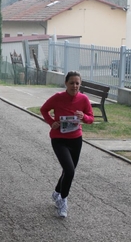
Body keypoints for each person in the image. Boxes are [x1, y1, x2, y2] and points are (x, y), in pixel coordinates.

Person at [40, 71, 94, 218]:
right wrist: (52, 123)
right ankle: (63, 201)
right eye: (72, 83)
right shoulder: (58, 98)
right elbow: (44, 110)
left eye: (77, 83)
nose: (74, 86)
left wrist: (84, 117)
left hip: (76, 139)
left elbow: (91, 118)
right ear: (66, 83)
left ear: (80, 84)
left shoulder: (83, 99)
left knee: (67, 170)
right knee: (70, 171)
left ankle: (56, 192)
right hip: (59, 139)